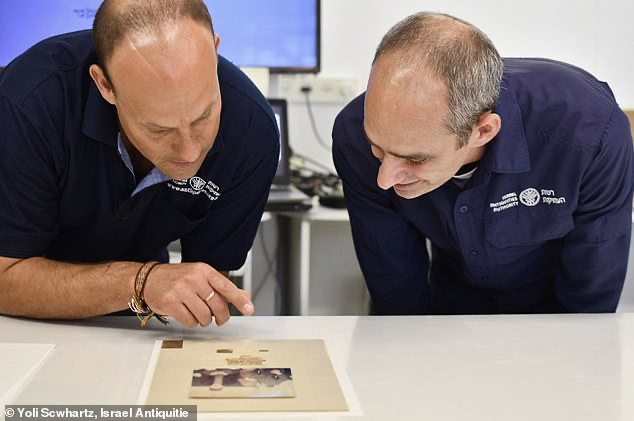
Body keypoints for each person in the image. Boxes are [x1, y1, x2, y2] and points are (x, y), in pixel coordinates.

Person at [0, 0, 279, 327]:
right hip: (23, 322)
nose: (189, 152)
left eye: (204, 116)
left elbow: (205, 283)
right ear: (104, 85)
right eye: (158, 129)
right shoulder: (31, 105)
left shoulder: (251, 131)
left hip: (136, 322)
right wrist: (141, 281)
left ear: (214, 51)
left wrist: (162, 289)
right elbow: (6, 277)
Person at [332, 12, 634, 315]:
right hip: (448, 307)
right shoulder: (353, 135)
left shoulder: (589, 133)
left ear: (483, 130)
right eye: (378, 149)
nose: (385, 179)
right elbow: (395, 287)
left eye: (416, 158)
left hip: (552, 310)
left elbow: (591, 294)